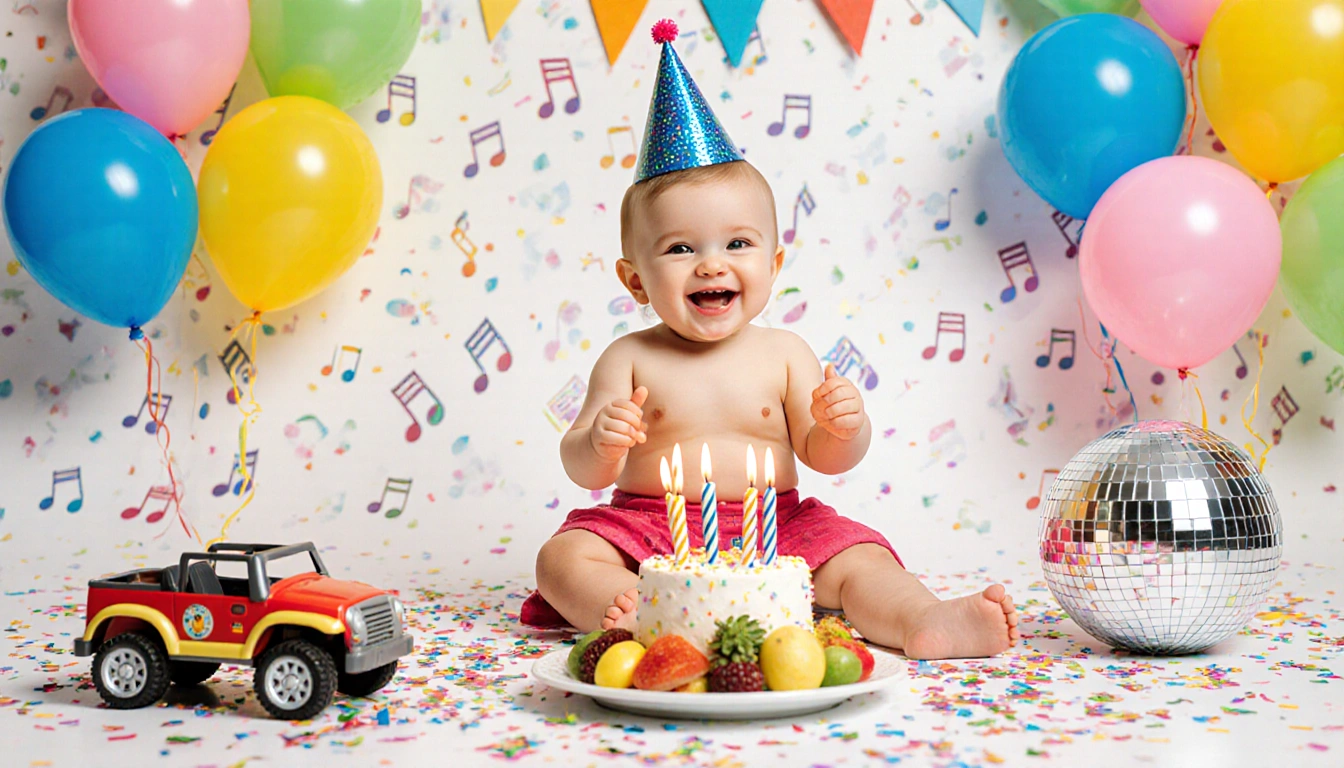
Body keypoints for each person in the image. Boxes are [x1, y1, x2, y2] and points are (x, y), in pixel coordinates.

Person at [521, 20, 1018, 660]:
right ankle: (640, 613)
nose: (711, 264)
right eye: (679, 248)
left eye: (737, 243)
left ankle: (922, 621)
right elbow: (581, 463)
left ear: (774, 265)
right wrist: (600, 440)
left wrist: (844, 429)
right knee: (563, 557)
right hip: (651, 532)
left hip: (776, 527)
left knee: (860, 559)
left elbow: (825, 456)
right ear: (635, 279)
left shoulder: (784, 353)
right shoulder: (630, 357)